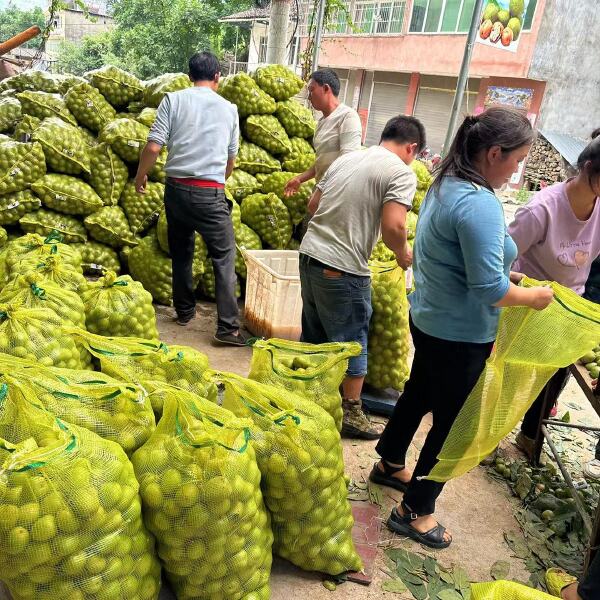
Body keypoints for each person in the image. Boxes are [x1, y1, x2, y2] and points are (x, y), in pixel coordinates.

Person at [370, 108, 554, 549]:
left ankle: (391, 461)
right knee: (452, 424)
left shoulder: (447, 182)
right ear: (494, 152)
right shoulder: (480, 202)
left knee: (419, 392)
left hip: (430, 318)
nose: (517, 170)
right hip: (460, 334)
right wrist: (534, 297)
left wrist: (503, 276)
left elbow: (456, 258)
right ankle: (414, 510)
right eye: (517, 160)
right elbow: (489, 289)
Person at [298, 115, 425, 439]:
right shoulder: (400, 172)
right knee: (353, 339)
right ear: (411, 148)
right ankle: (351, 410)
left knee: (315, 335)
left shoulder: (347, 159)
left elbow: (313, 205)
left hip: (310, 254)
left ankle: (305, 400)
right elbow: (394, 225)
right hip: (342, 266)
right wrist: (401, 253)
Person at [135, 51, 247, 346]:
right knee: (223, 257)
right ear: (217, 78)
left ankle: (184, 311)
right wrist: (218, 180)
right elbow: (231, 159)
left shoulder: (173, 100)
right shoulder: (229, 108)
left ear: (189, 77)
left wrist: (140, 175)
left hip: (176, 191)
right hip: (210, 192)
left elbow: (154, 147)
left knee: (182, 252)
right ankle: (227, 329)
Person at [509, 130, 600, 461]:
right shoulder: (541, 209)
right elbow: (498, 259)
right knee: (510, 373)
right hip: (527, 305)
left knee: (553, 377)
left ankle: (530, 435)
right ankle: (481, 434)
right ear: (588, 168)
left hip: (567, 309)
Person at [284, 68, 362, 197]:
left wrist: (320, 192)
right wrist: (299, 179)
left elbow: (349, 162)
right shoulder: (321, 123)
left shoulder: (348, 117)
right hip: (323, 190)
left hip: (337, 194)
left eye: (311, 90)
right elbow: (322, 162)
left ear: (326, 88)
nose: (309, 97)